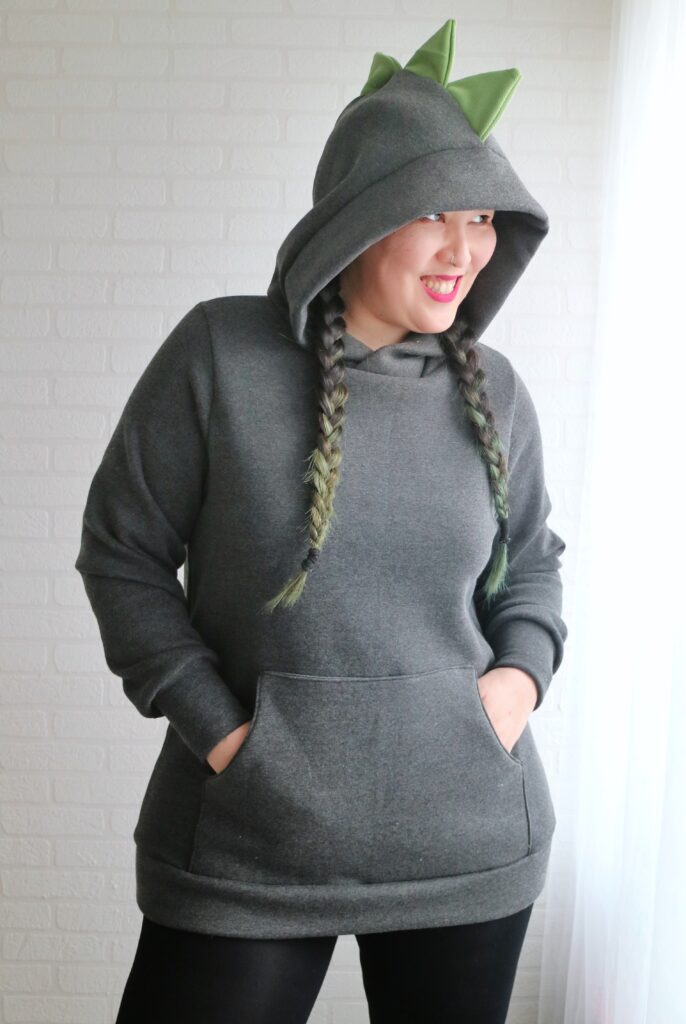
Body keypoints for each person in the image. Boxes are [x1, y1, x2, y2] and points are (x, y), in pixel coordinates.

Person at [76, 18, 568, 1024]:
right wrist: (228, 738)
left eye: (483, 217)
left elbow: (532, 565)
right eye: (435, 212)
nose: (465, 248)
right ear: (358, 215)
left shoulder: (498, 390)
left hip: (466, 845)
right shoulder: (219, 357)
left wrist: (512, 691)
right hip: (248, 844)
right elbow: (122, 554)